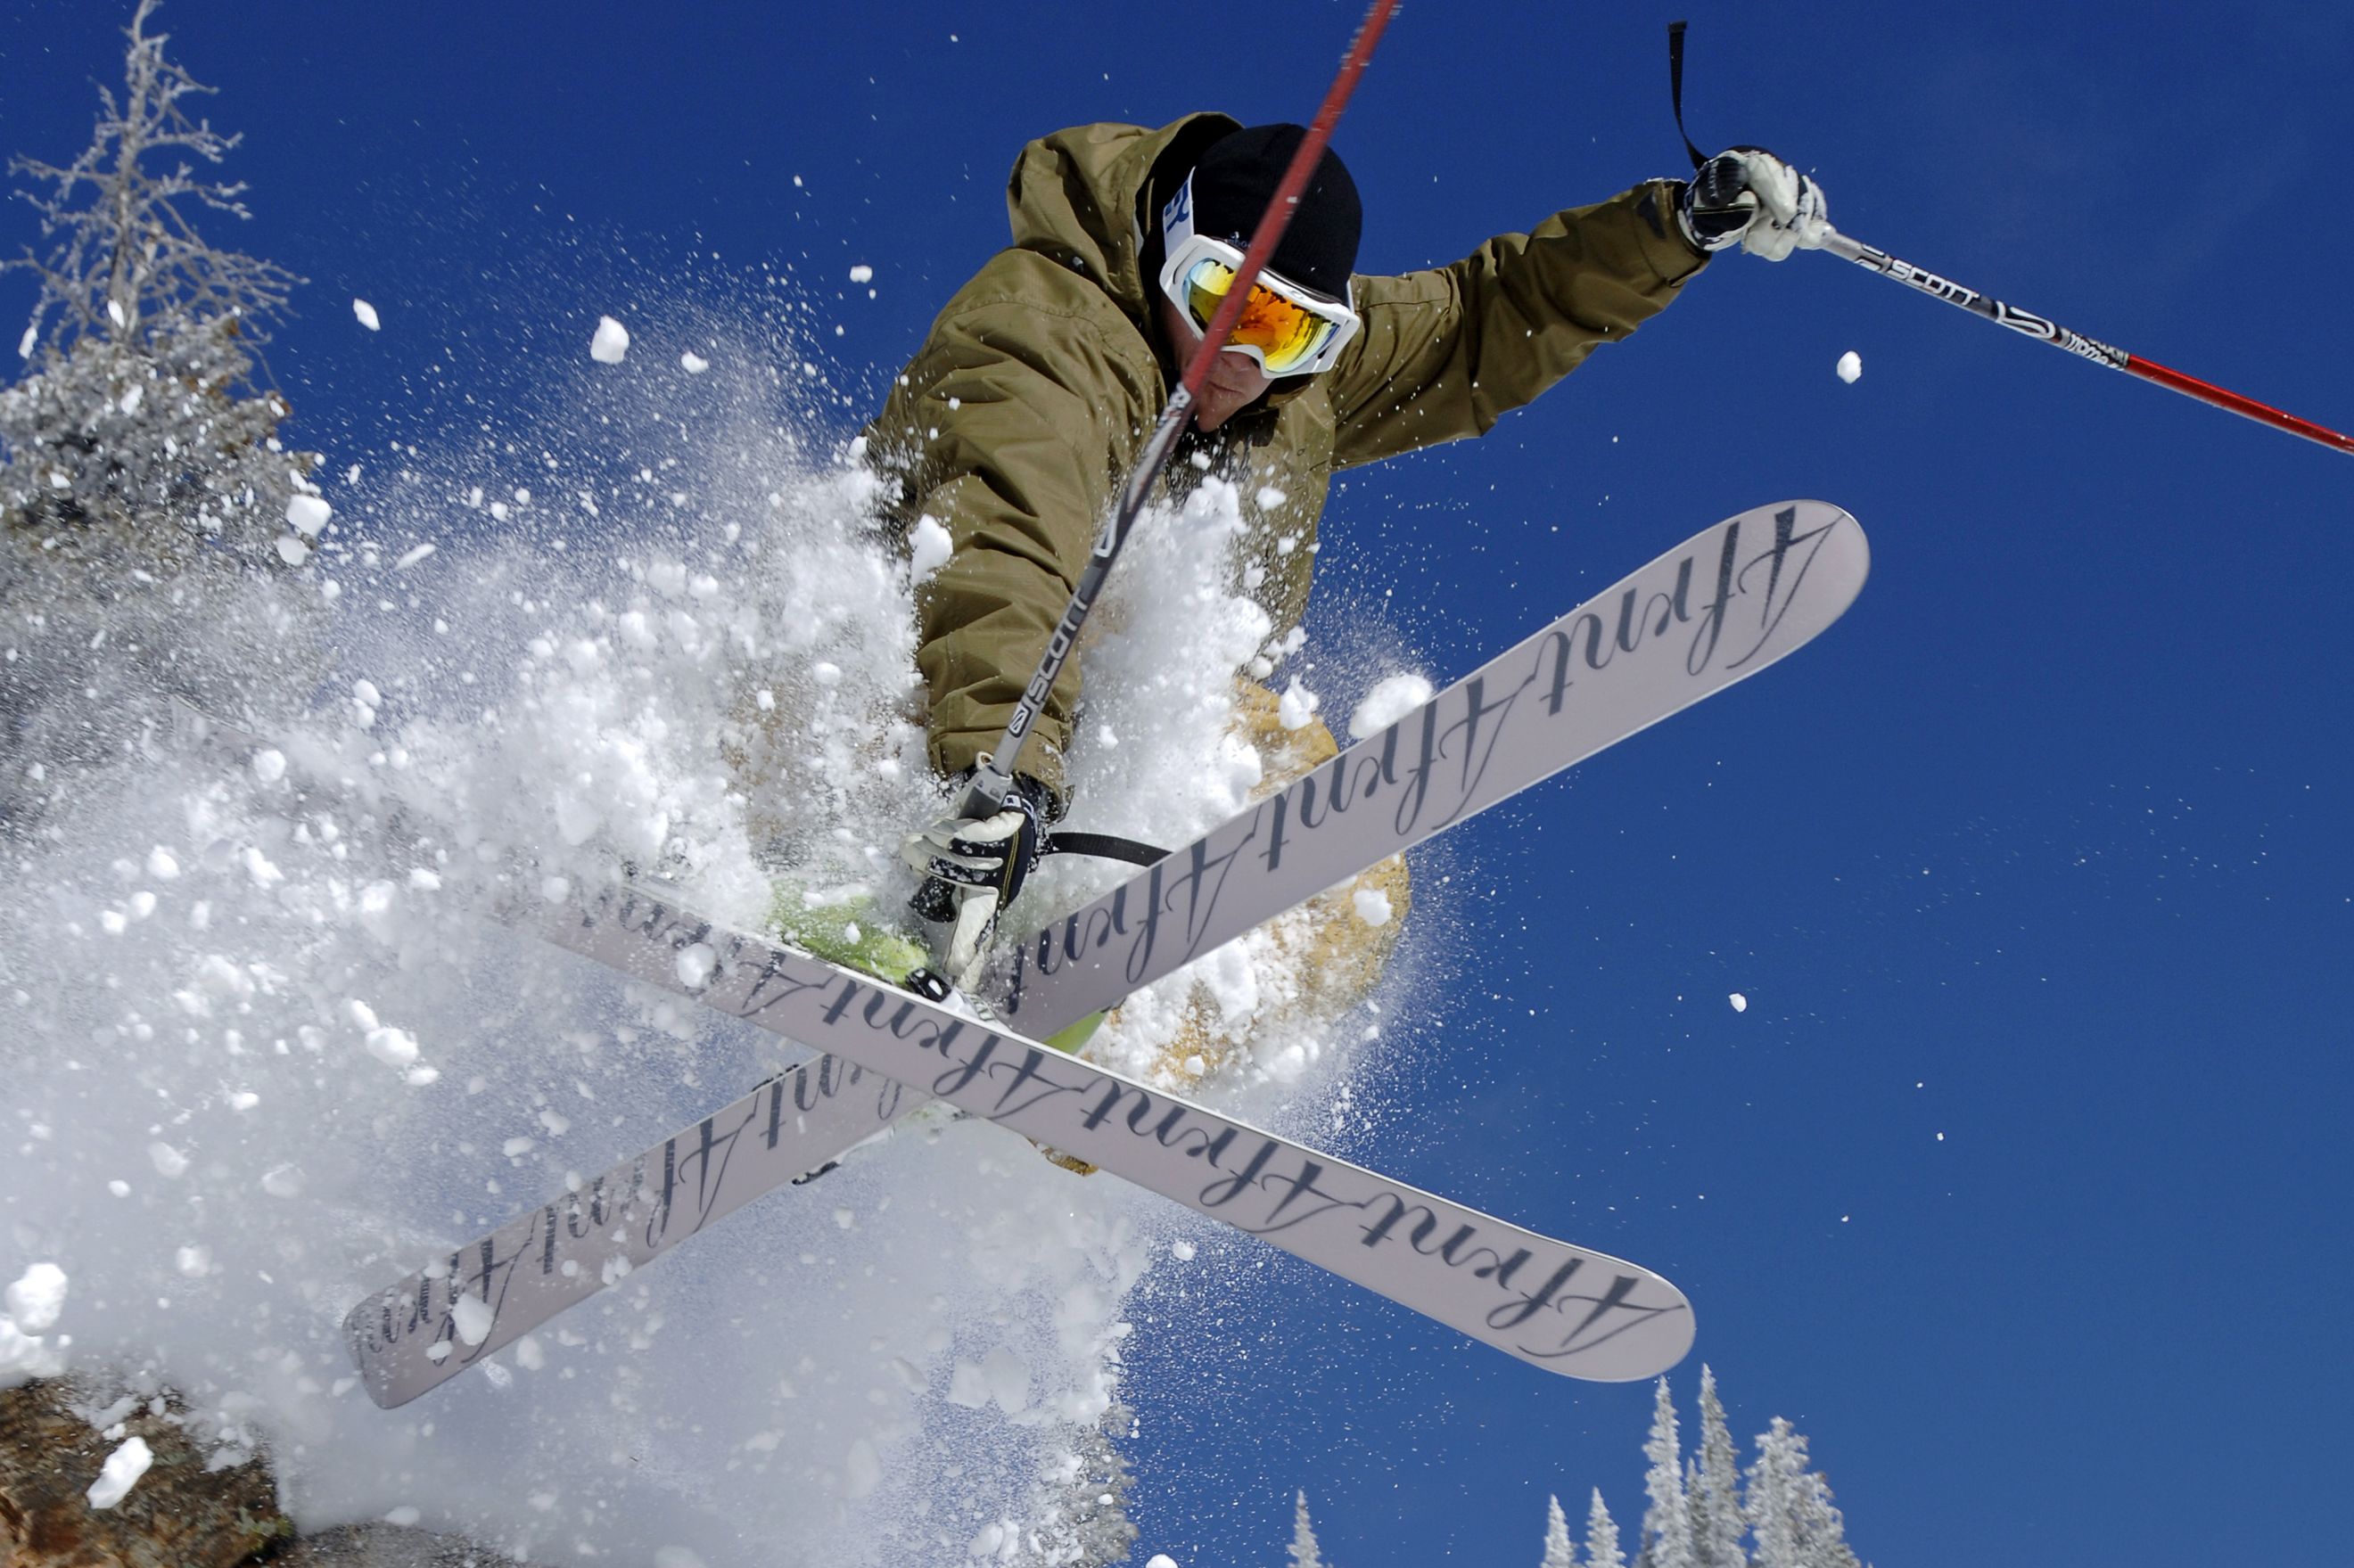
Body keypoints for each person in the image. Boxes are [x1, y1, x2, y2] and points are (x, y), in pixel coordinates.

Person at [870, 115, 1828, 989]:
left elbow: (1486, 318)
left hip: (1062, 773)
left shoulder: (1291, 387)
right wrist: (998, 778)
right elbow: (1007, 536)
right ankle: (905, 909)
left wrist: (1679, 228)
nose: (1239, 361)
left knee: (1329, 855)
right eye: (1218, 295)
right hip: (918, 716)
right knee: (1098, 606)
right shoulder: (1048, 333)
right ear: (1168, 239)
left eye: (1288, 331)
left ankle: (1101, 1051)